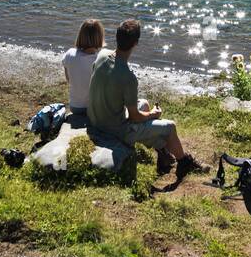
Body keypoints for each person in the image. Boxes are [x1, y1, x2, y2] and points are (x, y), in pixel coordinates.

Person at [87, 19, 205, 179]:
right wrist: (154, 114)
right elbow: (135, 117)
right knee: (170, 126)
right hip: (115, 130)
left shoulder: (102, 55)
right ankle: (184, 163)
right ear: (136, 43)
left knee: (143, 103)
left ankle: (163, 155)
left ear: (117, 37)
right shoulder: (128, 77)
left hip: (96, 119)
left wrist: (147, 112)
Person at [63, 19, 104, 120]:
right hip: (94, 108)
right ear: (100, 37)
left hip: (75, 107)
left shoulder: (69, 54)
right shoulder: (101, 59)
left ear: (80, 35)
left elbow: (69, 79)